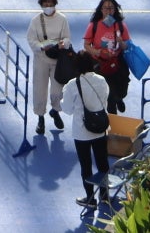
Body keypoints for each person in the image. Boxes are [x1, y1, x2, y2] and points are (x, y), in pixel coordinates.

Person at [65, 52, 113, 209]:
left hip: (81, 132)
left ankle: (90, 199)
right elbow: (105, 99)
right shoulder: (102, 80)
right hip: (100, 129)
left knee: (86, 166)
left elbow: (67, 110)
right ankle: (105, 196)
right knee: (103, 163)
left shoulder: (73, 84)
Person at [27, 0, 73, 135]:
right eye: (46, 5)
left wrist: (62, 43)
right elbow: (31, 39)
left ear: (55, 5)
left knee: (57, 89)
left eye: (51, 5)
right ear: (41, 5)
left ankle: (55, 111)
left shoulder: (62, 19)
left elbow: (67, 38)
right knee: (39, 89)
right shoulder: (35, 21)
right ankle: (40, 118)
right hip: (41, 59)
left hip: (57, 60)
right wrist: (41, 46)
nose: (48, 7)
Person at [83, 0, 133, 114]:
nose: (108, 11)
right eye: (105, 8)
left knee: (121, 91)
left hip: (117, 64)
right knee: (109, 96)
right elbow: (86, 45)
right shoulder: (93, 25)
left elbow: (127, 46)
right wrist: (96, 51)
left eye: (111, 8)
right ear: (101, 10)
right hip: (100, 65)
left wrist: (121, 43)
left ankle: (119, 98)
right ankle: (112, 123)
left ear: (115, 9)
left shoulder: (121, 26)